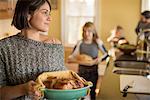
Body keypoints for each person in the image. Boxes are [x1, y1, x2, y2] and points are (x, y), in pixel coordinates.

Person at [0, 0, 66, 99]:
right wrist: (23, 89)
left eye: (49, 13)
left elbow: (64, 81)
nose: (50, 18)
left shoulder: (55, 45)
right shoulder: (4, 47)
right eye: (45, 12)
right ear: (27, 14)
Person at [68, 22, 108, 100]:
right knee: (82, 93)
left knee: (92, 93)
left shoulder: (97, 42)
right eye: (84, 31)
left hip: (94, 71)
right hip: (82, 72)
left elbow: (106, 54)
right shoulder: (80, 42)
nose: (86, 34)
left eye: (89, 31)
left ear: (93, 32)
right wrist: (82, 61)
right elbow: (70, 57)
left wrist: (97, 60)